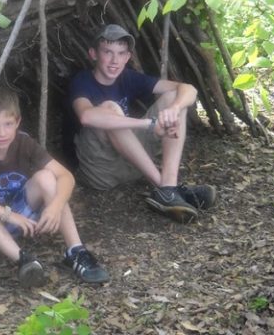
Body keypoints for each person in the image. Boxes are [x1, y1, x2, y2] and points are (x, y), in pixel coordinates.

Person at [0, 87, 109, 287]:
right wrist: (7, 214)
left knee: (46, 177)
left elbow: (65, 176)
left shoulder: (24, 142)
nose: (2, 133)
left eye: (8, 124)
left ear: (17, 122)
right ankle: (24, 260)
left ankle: (76, 252)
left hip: (19, 218)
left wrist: (55, 206)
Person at [69, 24, 217, 223]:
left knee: (174, 96)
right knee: (110, 109)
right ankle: (164, 189)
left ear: (128, 57)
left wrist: (174, 109)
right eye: (108, 52)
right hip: (102, 170)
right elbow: (87, 116)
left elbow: (188, 89)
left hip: (132, 161)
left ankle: (169, 188)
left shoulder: (128, 78)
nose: (115, 60)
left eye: (121, 53)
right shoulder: (82, 81)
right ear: (93, 54)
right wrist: (149, 123)